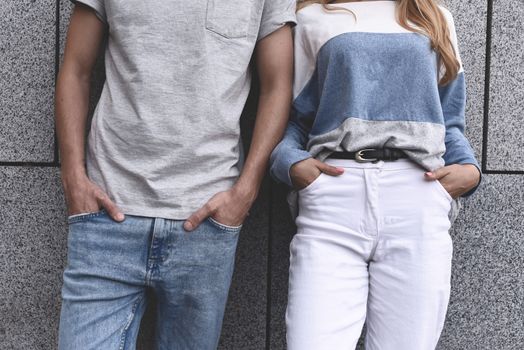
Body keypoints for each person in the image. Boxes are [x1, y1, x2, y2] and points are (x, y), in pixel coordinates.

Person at [55, 1, 295, 349]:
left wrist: (245, 191)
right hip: (107, 215)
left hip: (206, 222)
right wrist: (73, 178)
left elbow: (277, 85)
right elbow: (76, 68)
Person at [269, 0, 481, 349]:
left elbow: (450, 121)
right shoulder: (312, 17)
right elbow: (295, 116)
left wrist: (469, 171)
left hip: (417, 198)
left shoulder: (435, 17)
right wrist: (290, 163)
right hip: (334, 196)